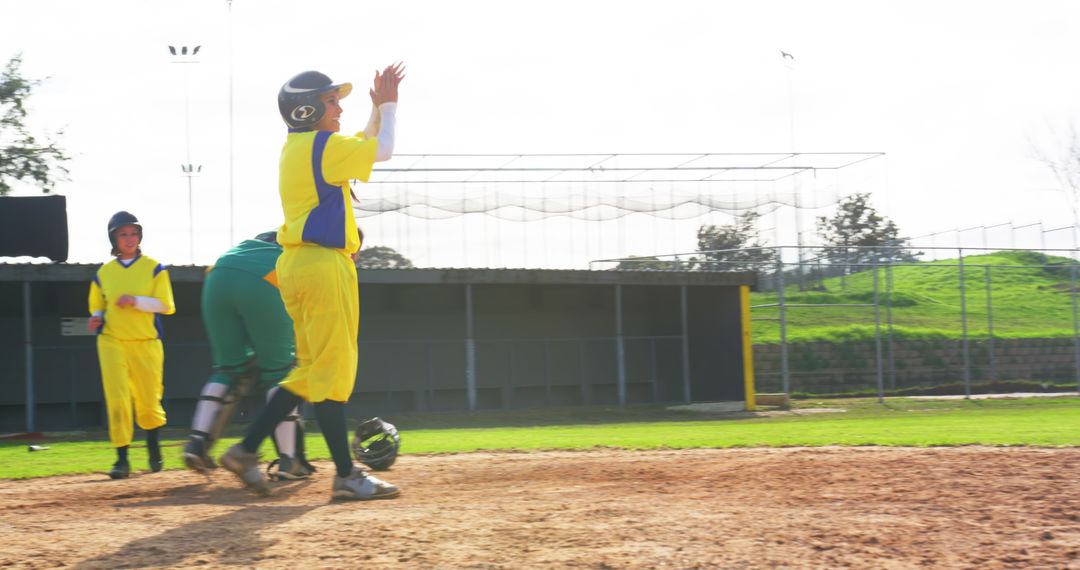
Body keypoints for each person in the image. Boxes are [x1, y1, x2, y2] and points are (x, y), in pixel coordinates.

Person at [220, 63, 405, 500]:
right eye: (330, 101)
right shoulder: (322, 144)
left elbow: (361, 145)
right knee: (333, 370)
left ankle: (246, 450)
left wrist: (376, 111)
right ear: (305, 110)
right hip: (323, 267)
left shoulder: (303, 147)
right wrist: (391, 107)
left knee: (310, 370)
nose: (338, 107)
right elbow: (382, 151)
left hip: (297, 264)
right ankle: (345, 475)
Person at [182, 231, 315, 481]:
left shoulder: (260, 242)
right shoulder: (316, 253)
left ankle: (197, 442)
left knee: (229, 369)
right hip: (265, 277)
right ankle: (290, 461)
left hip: (218, 275)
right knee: (281, 374)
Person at [87, 211, 175, 479]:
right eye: (123, 234)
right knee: (118, 399)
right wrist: (96, 318)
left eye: (133, 233)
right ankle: (121, 459)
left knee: (149, 400)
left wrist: (135, 301)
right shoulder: (104, 273)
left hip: (146, 343)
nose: (129, 238)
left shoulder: (154, 268)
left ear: (139, 237)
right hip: (112, 342)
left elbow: (166, 306)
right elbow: (97, 307)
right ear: (113, 237)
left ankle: (153, 449)